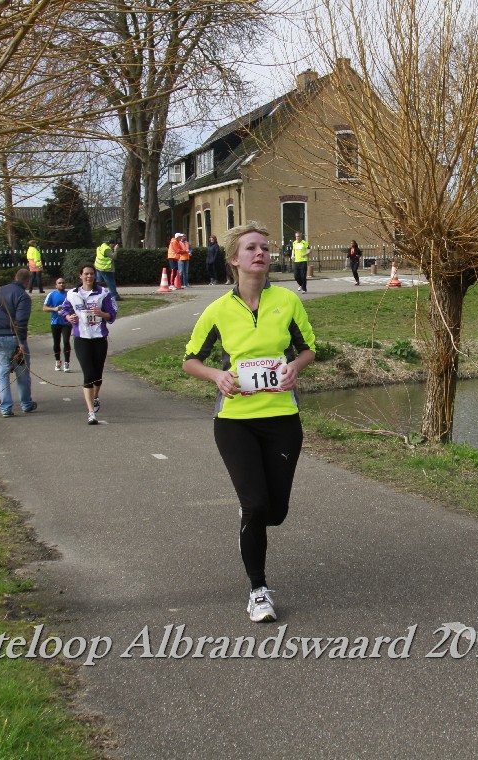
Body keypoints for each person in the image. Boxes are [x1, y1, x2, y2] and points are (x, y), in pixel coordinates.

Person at [182, 221, 316, 623]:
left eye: (264, 248)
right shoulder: (218, 310)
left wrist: (295, 367)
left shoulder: (287, 301)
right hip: (235, 422)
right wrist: (216, 376)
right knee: (255, 505)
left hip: (282, 420)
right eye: (251, 248)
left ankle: (252, 516)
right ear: (234, 260)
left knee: (275, 512)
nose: (260, 253)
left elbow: (308, 349)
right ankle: (258, 591)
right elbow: (190, 361)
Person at [61, 263, 118, 425]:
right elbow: (64, 310)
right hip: (81, 339)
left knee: (97, 376)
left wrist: (102, 314)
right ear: (80, 276)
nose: (89, 276)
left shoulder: (103, 293)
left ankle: (96, 396)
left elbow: (112, 315)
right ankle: (91, 412)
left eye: (91, 273)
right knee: (88, 374)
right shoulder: (72, 294)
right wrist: (68, 317)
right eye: (86, 274)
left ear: (95, 276)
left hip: (99, 339)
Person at [0, 268, 37, 418]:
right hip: (14, 338)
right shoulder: (22, 296)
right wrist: (21, 341)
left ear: (15, 277)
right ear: (27, 281)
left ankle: (5, 407)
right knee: (22, 372)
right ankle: (26, 403)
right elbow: (21, 321)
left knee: (2, 373)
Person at [43, 276, 72, 372]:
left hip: (67, 322)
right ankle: (57, 361)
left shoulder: (69, 294)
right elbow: (44, 308)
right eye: (59, 283)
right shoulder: (51, 295)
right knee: (56, 342)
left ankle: (67, 363)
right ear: (56, 285)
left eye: (63, 283)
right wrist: (54, 309)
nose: (62, 284)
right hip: (55, 322)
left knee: (66, 341)